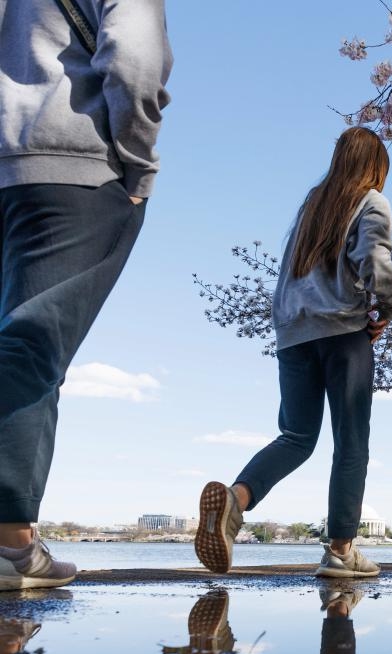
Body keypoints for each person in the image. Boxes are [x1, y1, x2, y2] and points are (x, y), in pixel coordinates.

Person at [0, 0, 172, 590]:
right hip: (71, 164)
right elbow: (135, 61)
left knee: (18, 344)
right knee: (33, 345)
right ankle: (10, 543)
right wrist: (138, 168)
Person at [195, 127, 392, 578]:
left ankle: (236, 499)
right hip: (343, 333)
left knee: (296, 437)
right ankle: (341, 551)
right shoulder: (369, 200)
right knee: (351, 442)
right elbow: (375, 259)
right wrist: (386, 307)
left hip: (293, 334)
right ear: (374, 166)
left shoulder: (313, 205)